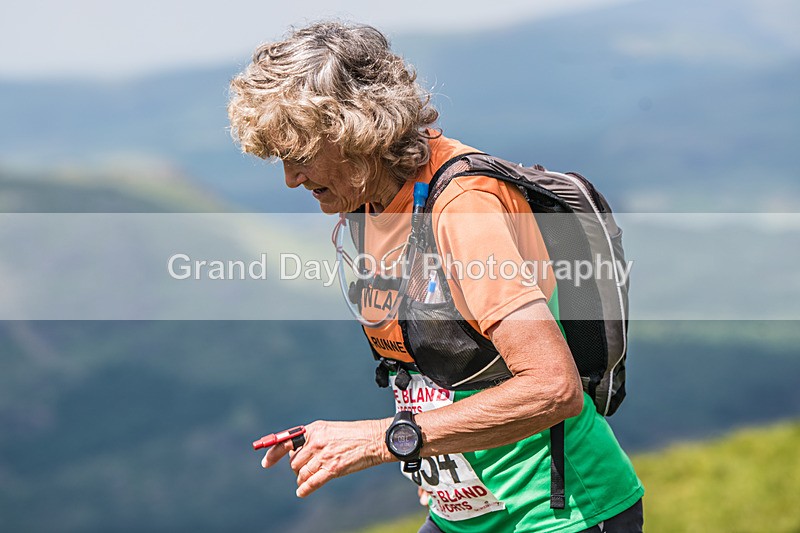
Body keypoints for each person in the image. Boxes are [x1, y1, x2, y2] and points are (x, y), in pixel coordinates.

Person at [228, 21, 644, 533]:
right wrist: (429, 455)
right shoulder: (368, 201)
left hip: (561, 513)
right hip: (465, 517)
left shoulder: (462, 208)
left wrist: (382, 438)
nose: (290, 178)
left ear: (353, 132)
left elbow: (553, 389)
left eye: (300, 155)